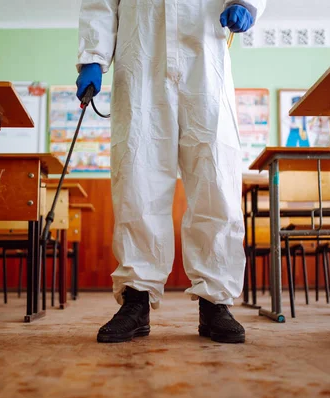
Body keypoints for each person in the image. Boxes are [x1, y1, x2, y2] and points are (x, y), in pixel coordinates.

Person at [76, 0, 266, 344]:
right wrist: (93, 56)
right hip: (140, 56)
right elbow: (101, 3)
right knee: (137, 178)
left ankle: (215, 302)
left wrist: (246, 3)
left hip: (204, 56)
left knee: (216, 180)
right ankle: (136, 298)